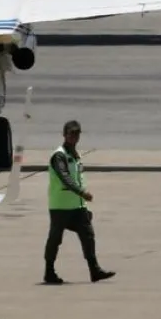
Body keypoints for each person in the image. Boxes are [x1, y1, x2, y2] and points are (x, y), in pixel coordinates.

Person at [44, 120, 114, 285]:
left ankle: (94, 270)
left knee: (88, 235)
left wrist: (83, 201)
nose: (74, 137)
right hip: (60, 206)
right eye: (71, 134)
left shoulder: (75, 155)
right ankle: (49, 271)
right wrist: (82, 192)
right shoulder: (59, 156)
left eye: (77, 134)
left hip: (77, 206)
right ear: (64, 135)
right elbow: (65, 178)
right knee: (55, 239)